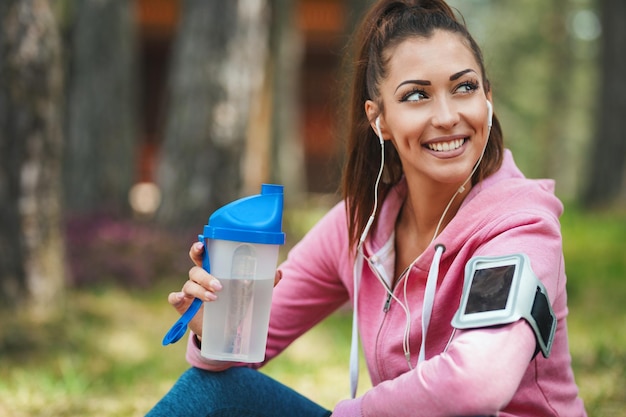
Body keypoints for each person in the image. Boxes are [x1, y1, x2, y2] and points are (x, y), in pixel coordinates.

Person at [147, 0, 587, 416]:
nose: (449, 115)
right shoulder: (359, 225)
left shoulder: (520, 227)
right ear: (379, 119)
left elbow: (478, 381)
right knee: (212, 393)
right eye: (417, 95)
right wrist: (216, 329)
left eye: (464, 87)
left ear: (487, 99)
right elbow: (233, 361)